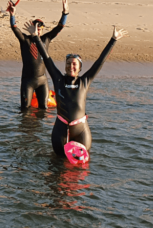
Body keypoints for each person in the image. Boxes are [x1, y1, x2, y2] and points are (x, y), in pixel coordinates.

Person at [31, 24, 127, 158]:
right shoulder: (58, 80)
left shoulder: (84, 81)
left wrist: (113, 39)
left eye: (74, 64)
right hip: (60, 129)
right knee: (57, 164)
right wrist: (35, 37)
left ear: (79, 67)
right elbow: (47, 59)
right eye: (68, 63)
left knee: (80, 169)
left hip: (81, 130)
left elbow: (100, 62)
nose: (71, 66)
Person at [8, 0, 69, 111]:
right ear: (31, 28)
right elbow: (14, 28)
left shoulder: (46, 39)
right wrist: (12, 15)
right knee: (25, 110)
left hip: (42, 81)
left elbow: (59, 27)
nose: (38, 31)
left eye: (40, 29)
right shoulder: (25, 40)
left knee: (43, 109)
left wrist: (65, 13)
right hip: (28, 81)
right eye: (36, 29)